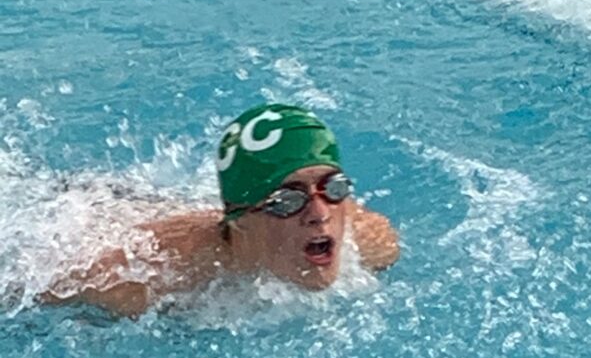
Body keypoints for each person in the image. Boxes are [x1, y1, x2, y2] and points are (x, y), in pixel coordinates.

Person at [42, 104, 399, 317]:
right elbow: (35, 289)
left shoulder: (373, 241)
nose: (320, 214)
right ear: (240, 217)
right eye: (287, 201)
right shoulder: (139, 279)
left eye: (333, 187)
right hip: (82, 219)